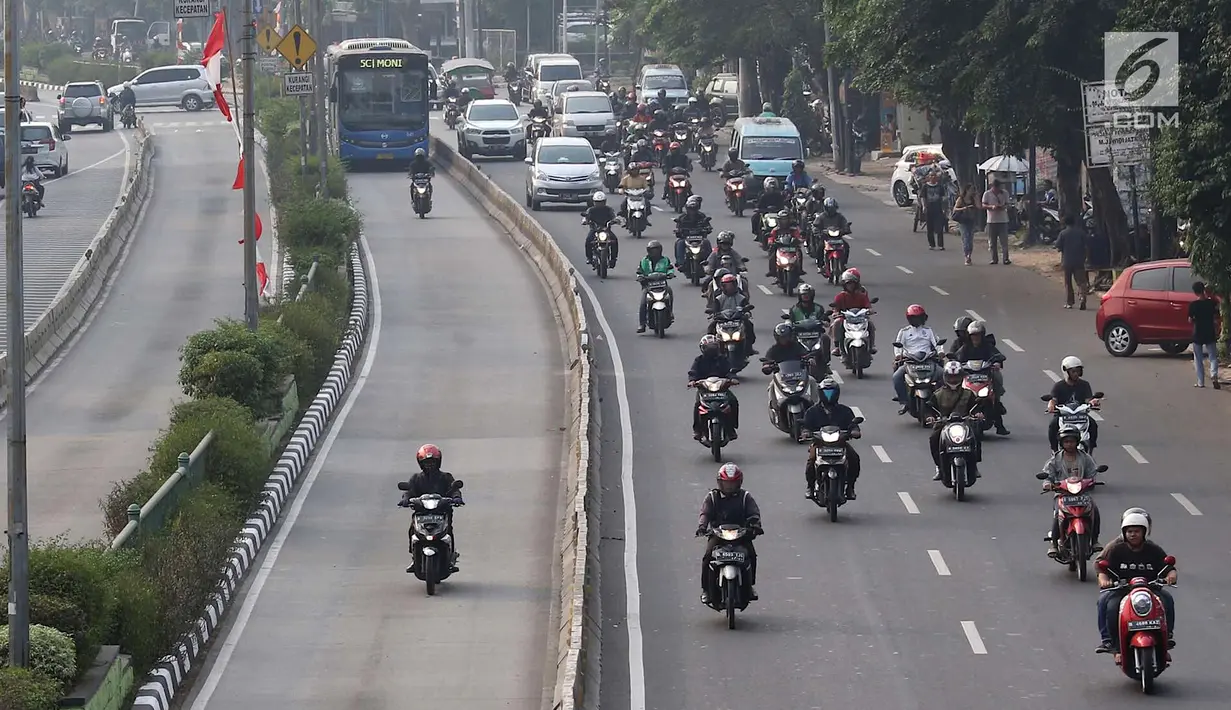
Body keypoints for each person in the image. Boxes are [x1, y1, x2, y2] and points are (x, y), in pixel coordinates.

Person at [1096, 509, 1177, 653]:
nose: (1133, 534)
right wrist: (1104, 579)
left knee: (1167, 600)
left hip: (1150, 589)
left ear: (1144, 532)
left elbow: (1168, 567)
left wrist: (1171, 575)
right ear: (1124, 533)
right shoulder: (1115, 549)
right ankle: (1110, 642)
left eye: (1137, 531)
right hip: (1122, 589)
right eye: (1130, 531)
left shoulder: (1153, 550)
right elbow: (1101, 567)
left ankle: (1167, 635)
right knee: (1108, 605)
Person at [696, 463, 762, 604]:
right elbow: (705, 513)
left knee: (751, 555)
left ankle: (750, 586)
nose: (729, 487)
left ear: (739, 483)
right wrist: (702, 526)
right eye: (726, 484)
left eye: (732, 484)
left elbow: (754, 513)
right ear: (720, 483)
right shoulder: (712, 497)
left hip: (741, 534)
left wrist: (755, 525)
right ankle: (706, 590)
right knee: (708, 556)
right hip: (718, 534)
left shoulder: (745, 497)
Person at [398, 444, 464, 573]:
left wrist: (456, 498)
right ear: (421, 464)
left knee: (448, 530)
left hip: (441, 512)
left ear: (438, 462)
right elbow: (409, 491)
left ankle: (450, 556)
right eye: (427, 463)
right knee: (412, 530)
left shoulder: (446, 477)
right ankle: (414, 557)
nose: (430, 465)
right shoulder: (416, 478)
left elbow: (454, 489)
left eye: (432, 462)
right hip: (422, 513)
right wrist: (405, 499)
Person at [1040, 427, 1102, 557]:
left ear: (1077, 441)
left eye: (1072, 441)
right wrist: (1047, 484)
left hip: (1082, 494)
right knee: (1058, 514)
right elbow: (1047, 474)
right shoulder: (1055, 459)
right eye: (1066, 441)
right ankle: (1054, 545)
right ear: (1061, 442)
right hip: (1062, 494)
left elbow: (1092, 472)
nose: (1069, 444)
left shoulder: (1085, 458)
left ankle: (1095, 540)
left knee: (1094, 510)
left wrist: (1091, 481)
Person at [801, 377, 862, 499]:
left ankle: (850, 487)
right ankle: (810, 487)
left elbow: (852, 424)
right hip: (819, 444)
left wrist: (854, 431)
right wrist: (806, 432)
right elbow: (806, 426)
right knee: (811, 461)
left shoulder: (845, 411)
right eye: (826, 392)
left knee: (854, 459)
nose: (829, 395)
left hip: (840, 444)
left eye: (831, 392)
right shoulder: (812, 411)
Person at [950, 320, 1009, 435]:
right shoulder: (965, 347)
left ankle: (999, 424)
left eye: (978, 335)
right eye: (973, 335)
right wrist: (954, 362)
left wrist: (997, 362)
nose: (975, 338)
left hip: (985, 375)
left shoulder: (987, 345)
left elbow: (996, 354)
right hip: (969, 376)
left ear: (982, 335)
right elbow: (957, 356)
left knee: (995, 385)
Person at [927, 360, 981, 480]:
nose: (953, 380)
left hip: (964, 423)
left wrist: (978, 414)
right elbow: (929, 408)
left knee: (976, 435)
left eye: (955, 377)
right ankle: (939, 467)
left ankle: (975, 465)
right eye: (950, 377)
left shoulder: (969, 393)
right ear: (945, 377)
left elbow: (976, 406)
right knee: (934, 438)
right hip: (944, 424)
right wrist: (930, 417)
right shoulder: (937, 394)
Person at [892, 304, 941, 414]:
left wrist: (941, 352)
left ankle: (941, 400)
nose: (916, 320)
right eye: (914, 318)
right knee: (896, 377)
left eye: (918, 317)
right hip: (910, 361)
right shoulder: (904, 331)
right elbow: (898, 345)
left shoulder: (929, 331)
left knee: (943, 374)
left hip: (928, 359)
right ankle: (904, 401)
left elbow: (937, 343)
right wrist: (898, 355)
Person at [688, 335, 740, 438]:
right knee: (698, 405)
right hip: (704, 390)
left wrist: (732, 379)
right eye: (708, 348)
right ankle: (698, 430)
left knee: (733, 401)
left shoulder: (723, 359)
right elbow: (693, 372)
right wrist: (692, 381)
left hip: (722, 389)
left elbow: (730, 371)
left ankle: (731, 428)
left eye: (713, 347)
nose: (711, 350)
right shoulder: (699, 360)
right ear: (703, 348)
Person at [1046, 356, 1101, 452]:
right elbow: (1053, 399)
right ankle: (1054, 450)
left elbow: (1088, 399)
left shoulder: (1084, 385)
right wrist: (1051, 405)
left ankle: (1091, 447)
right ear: (1066, 371)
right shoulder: (1059, 386)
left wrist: (1093, 402)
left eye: (1078, 371)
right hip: (1063, 416)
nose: (1076, 374)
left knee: (1093, 424)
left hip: (1080, 415)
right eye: (1073, 371)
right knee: (1052, 425)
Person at [829, 268, 875, 355]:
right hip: (845, 319)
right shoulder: (840, 296)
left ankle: (871, 345)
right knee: (836, 323)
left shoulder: (862, 295)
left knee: (870, 324)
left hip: (860, 319)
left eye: (852, 283)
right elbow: (835, 308)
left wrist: (870, 310)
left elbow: (868, 306)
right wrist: (836, 313)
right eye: (848, 283)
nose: (850, 286)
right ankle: (837, 346)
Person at [707, 274, 756, 349]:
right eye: (727, 285)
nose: (729, 288)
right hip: (723, 320)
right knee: (711, 328)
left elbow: (746, 306)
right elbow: (715, 309)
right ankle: (711, 347)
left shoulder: (741, 297)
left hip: (738, 319)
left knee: (749, 325)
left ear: (735, 285)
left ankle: (749, 348)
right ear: (722, 286)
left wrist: (746, 312)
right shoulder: (718, 298)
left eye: (731, 285)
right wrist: (713, 314)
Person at [636, 241, 674, 333]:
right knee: (643, 303)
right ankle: (642, 324)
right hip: (648, 286)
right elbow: (639, 271)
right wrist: (640, 277)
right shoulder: (644, 261)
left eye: (657, 250)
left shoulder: (665, 260)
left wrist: (670, 274)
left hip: (662, 285)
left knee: (670, 293)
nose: (655, 252)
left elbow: (670, 269)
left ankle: (670, 312)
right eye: (653, 250)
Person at [1189, 281, 1221, 389]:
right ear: (1203, 290)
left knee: (1198, 358)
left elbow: (1190, 320)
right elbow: (1216, 314)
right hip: (1209, 331)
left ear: (1194, 292)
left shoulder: (1193, 305)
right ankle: (1214, 374)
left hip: (1198, 333)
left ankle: (1201, 382)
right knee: (1212, 356)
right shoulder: (1211, 303)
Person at [1054, 214, 1090, 309]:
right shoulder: (1081, 232)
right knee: (1081, 281)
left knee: (1068, 282)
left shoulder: (1063, 233)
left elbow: (1058, 246)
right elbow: (1086, 246)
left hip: (1067, 261)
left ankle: (1069, 302)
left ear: (1065, 223)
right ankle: (1082, 298)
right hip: (1079, 261)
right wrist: (1085, 257)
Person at [582, 191, 619, 268]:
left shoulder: (609, 209)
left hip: (606, 230)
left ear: (605, 202)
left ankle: (613, 259)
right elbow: (586, 217)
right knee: (588, 240)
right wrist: (585, 221)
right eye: (598, 202)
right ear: (594, 202)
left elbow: (614, 216)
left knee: (614, 240)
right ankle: (589, 257)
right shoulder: (591, 210)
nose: (599, 204)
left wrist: (616, 220)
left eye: (601, 202)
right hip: (594, 230)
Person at [765, 209, 804, 281]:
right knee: (772, 253)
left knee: (799, 253)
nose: (784, 221)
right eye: (782, 219)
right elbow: (771, 237)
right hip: (780, 247)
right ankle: (772, 270)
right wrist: (771, 242)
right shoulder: (776, 230)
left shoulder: (793, 229)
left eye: (785, 219)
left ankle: (799, 270)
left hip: (791, 247)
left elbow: (798, 236)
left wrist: (799, 240)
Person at [673, 195, 712, 265]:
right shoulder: (682, 217)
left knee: (707, 242)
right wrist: (678, 231)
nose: (692, 211)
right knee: (679, 243)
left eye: (694, 209)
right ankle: (680, 262)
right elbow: (678, 227)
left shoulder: (702, 216)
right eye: (690, 209)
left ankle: (709, 261)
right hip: (686, 238)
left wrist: (708, 228)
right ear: (687, 209)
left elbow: (707, 225)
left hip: (700, 238)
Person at [812, 197, 852, 266]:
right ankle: (820, 265)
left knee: (846, 246)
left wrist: (846, 229)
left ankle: (843, 263)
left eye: (833, 208)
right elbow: (815, 225)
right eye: (829, 208)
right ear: (826, 208)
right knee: (820, 247)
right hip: (826, 237)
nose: (831, 210)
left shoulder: (840, 216)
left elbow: (845, 224)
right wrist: (817, 231)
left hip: (838, 238)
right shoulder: (821, 216)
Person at [982, 178, 1012, 264]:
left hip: (1003, 219)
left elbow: (1007, 204)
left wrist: (1003, 207)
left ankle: (1006, 258)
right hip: (991, 220)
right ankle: (994, 258)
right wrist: (991, 207)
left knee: (1004, 241)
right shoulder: (987, 194)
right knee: (992, 241)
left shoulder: (1004, 193)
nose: (997, 189)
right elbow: (983, 204)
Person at [919, 169, 948, 250]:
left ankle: (940, 245)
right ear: (929, 177)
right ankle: (932, 244)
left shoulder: (940, 186)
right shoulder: (925, 186)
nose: (933, 177)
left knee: (939, 227)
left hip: (938, 208)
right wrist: (924, 206)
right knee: (930, 228)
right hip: (929, 208)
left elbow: (943, 198)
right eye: (931, 175)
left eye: (934, 175)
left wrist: (944, 208)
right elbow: (923, 197)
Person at [951, 183, 979, 265]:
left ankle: (969, 255)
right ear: (967, 190)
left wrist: (976, 198)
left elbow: (979, 207)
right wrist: (964, 208)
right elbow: (955, 208)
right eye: (971, 190)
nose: (972, 191)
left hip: (971, 220)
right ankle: (966, 256)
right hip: (963, 221)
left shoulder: (973, 198)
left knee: (970, 239)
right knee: (966, 238)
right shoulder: (961, 199)